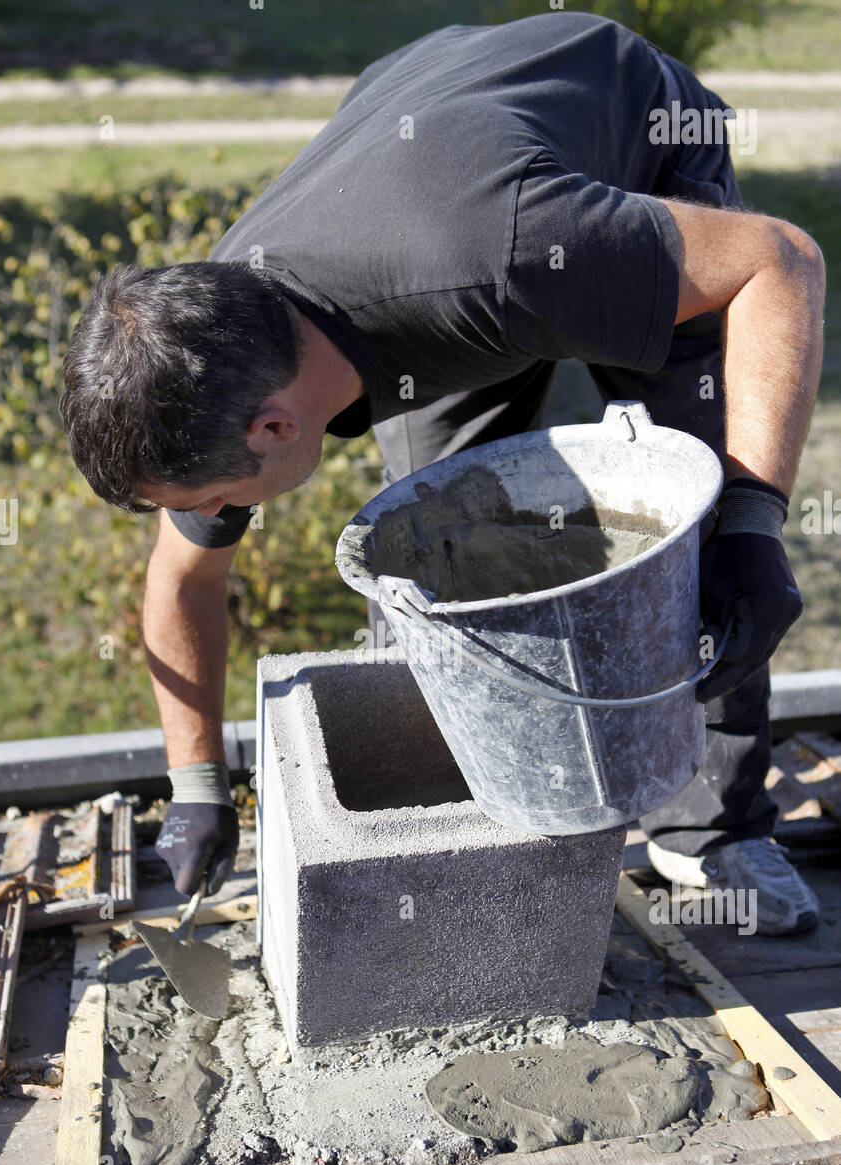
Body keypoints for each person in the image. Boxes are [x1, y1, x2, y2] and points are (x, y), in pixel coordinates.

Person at [60, 12, 825, 934]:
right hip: (433, 142)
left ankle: (712, 829)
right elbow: (182, 581)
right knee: (435, 560)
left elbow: (779, 261)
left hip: (627, 152)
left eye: (216, 500)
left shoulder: (506, 257)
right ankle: (479, 802)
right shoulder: (217, 341)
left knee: (694, 515)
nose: (212, 520)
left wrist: (752, 519)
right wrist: (195, 785)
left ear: (275, 424)